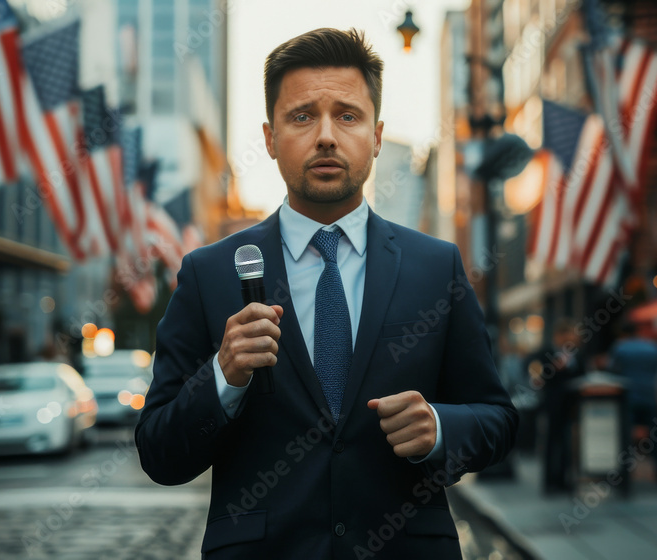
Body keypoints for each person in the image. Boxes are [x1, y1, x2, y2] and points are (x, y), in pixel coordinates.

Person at [134, 28, 518, 560]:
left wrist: (439, 428)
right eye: (301, 116)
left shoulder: (436, 267)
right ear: (270, 138)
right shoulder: (208, 273)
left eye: (348, 116)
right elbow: (159, 453)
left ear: (377, 136)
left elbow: (498, 419)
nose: (326, 137)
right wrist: (223, 376)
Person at [527, 318, 584, 494]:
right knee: (552, 443)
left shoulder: (576, 355)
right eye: (569, 335)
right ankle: (550, 482)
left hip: (571, 405)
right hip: (552, 405)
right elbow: (534, 370)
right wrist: (548, 371)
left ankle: (565, 480)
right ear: (559, 336)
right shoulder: (546, 352)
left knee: (568, 444)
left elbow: (582, 374)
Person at [608, 321, 657, 486]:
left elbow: (612, 369)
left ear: (623, 333)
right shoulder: (653, 347)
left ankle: (625, 476)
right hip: (649, 396)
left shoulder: (620, 347)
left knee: (626, 436)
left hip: (629, 397)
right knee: (656, 437)